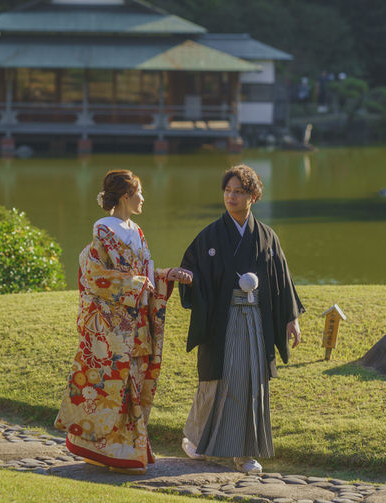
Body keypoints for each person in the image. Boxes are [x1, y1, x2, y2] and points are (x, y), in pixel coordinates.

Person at [55, 169, 191, 474]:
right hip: (112, 325)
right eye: (139, 192)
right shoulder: (104, 229)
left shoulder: (137, 231)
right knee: (117, 384)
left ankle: (129, 448)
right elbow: (97, 275)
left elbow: (144, 273)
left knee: (136, 381)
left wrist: (164, 276)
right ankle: (112, 449)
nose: (143, 198)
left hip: (136, 319)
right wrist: (137, 284)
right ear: (126, 196)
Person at [176, 164, 303, 474]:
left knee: (250, 384)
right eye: (228, 191)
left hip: (256, 322)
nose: (231, 197)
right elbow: (191, 270)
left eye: (239, 192)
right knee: (216, 380)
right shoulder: (210, 236)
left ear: (254, 197)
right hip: (222, 320)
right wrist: (189, 280)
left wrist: (290, 318)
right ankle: (195, 440)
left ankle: (244, 454)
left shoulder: (267, 237)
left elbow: (282, 282)